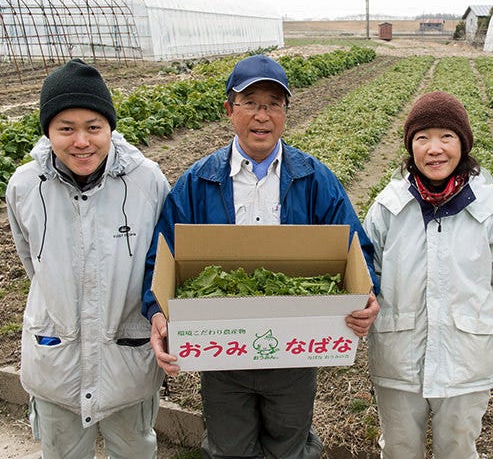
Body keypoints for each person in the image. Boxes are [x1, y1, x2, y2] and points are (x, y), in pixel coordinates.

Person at [142, 54, 380, 459]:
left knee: (290, 444)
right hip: (221, 350)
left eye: (273, 104)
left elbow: (356, 249)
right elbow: (160, 258)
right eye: (250, 102)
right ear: (229, 110)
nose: (262, 115)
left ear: (286, 112)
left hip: (295, 349)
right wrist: (156, 311)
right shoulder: (198, 182)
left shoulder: (313, 178)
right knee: (228, 447)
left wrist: (368, 294)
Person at [6, 59, 170, 458]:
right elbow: (32, 260)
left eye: (93, 127)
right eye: (66, 128)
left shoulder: (147, 181)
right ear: (48, 131)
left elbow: (162, 262)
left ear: (110, 127)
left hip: (126, 361)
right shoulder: (25, 186)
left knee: (133, 450)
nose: (82, 141)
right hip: (56, 362)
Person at [363, 91, 493, 458]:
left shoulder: (488, 207)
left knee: (459, 447)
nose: (434, 149)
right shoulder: (389, 207)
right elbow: (365, 273)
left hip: (467, 355)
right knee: (400, 448)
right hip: (399, 355)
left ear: (463, 144)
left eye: (446, 137)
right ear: (411, 147)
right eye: (423, 138)